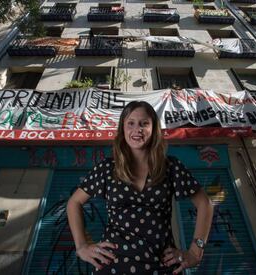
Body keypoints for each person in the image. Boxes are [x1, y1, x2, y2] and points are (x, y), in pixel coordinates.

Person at [67, 101, 213, 274]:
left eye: (144, 123)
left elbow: (206, 204)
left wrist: (196, 252)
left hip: (162, 267)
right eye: (131, 123)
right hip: (113, 266)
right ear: (123, 129)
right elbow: (73, 203)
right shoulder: (107, 168)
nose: (137, 129)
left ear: (153, 129)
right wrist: (81, 246)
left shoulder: (171, 167)